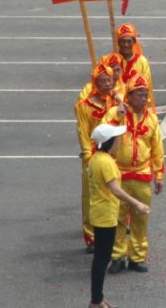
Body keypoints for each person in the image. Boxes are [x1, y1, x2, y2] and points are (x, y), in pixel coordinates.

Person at [104, 75, 164, 274]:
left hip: (142, 175)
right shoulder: (116, 113)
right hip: (119, 174)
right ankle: (118, 256)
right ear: (128, 95)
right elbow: (103, 134)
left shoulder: (152, 119)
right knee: (118, 218)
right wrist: (116, 116)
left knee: (140, 218)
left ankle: (137, 257)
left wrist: (159, 175)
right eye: (139, 93)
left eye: (146, 94)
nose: (144, 97)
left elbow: (157, 149)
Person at [87, 123, 150, 308]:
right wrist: (137, 203)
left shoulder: (96, 158)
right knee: (102, 259)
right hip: (105, 215)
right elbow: (116, 190)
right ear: (108, 142)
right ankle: (96, 301)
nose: (120, 141)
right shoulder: (106, 162)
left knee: (101, 257)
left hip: (99, 212)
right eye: (117, 138)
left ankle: (98, 298)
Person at [75, 60, 121, 250]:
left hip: (114, 155)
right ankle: (91, 235)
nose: (107, 84)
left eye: (109, 80)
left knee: (116, 193)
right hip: (93, 156)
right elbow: (83, 132)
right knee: (91, 197)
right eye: (102, 81)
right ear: (95, 83)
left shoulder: (116, 101)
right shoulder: (84, 106)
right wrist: (88, 154)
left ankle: (117, 232)